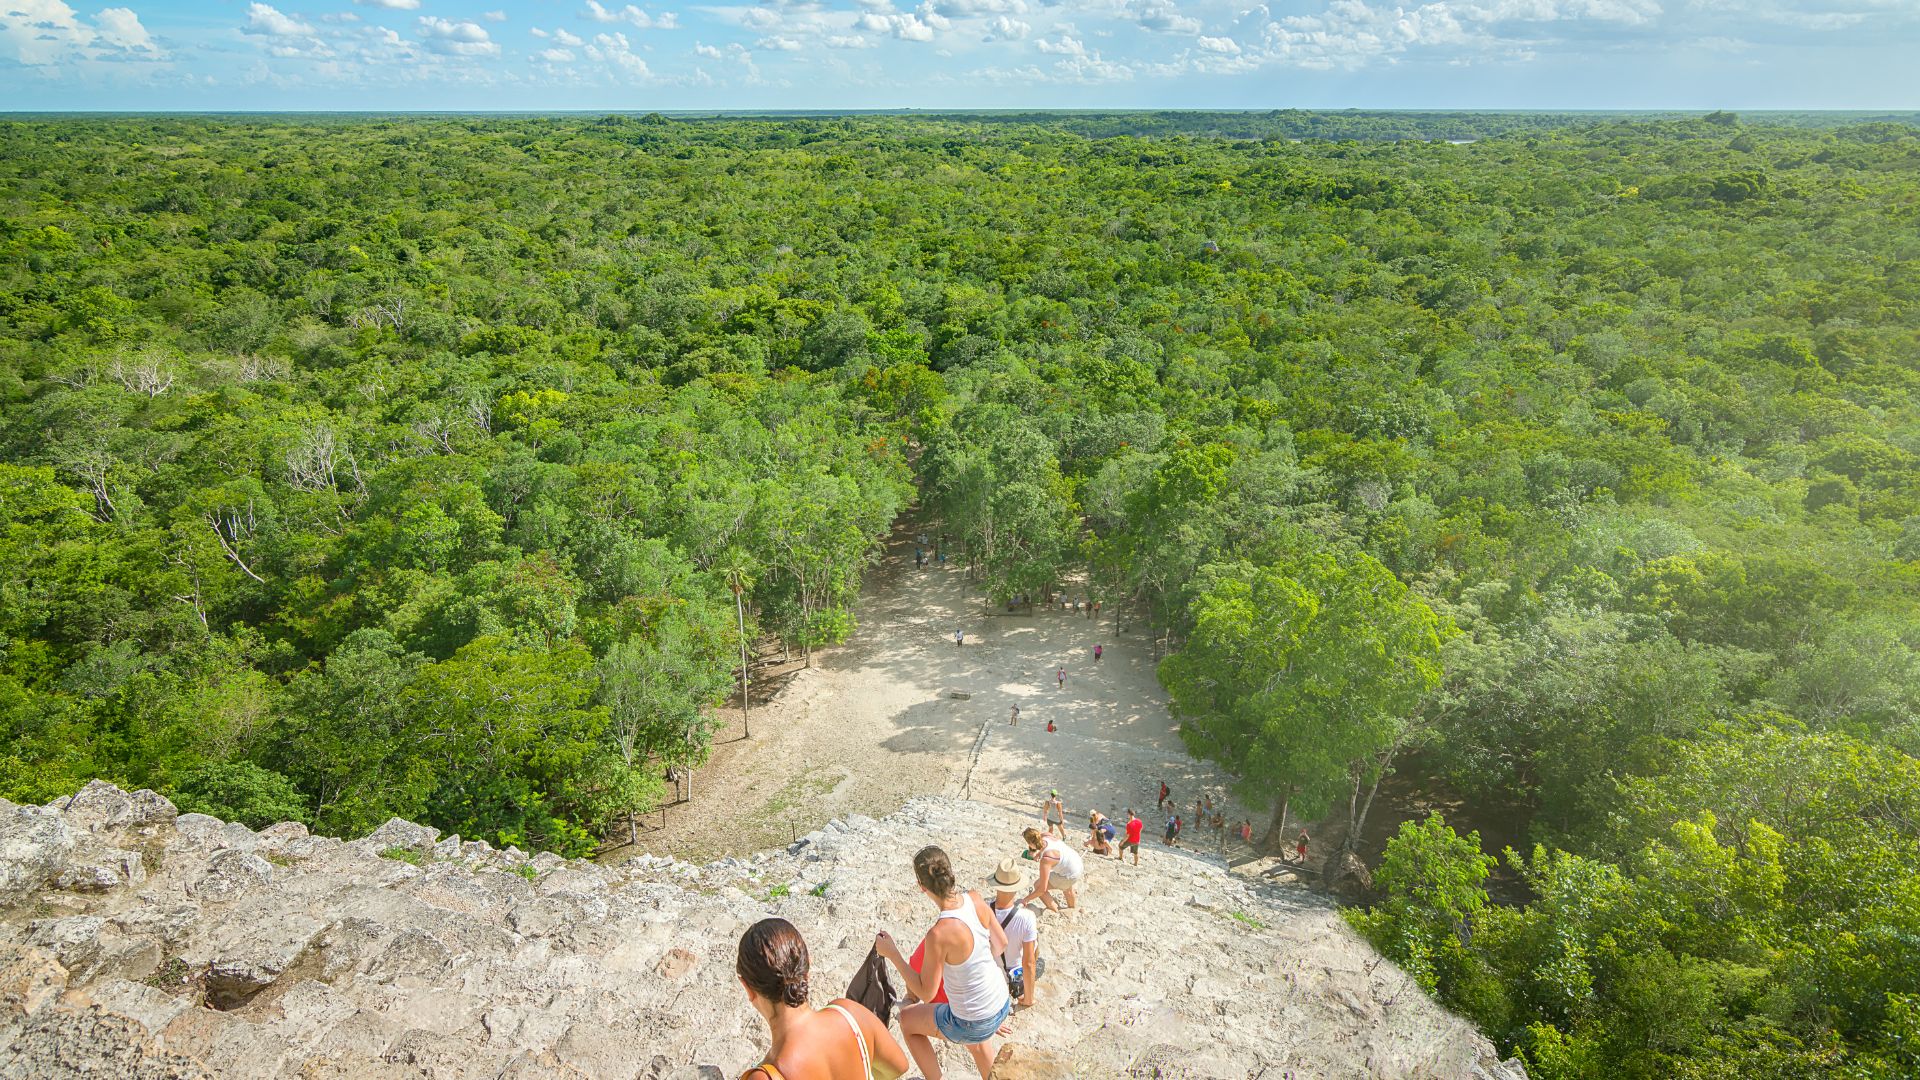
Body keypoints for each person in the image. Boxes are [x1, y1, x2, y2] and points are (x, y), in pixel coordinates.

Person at [876, 847, 1012, 1080]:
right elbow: (1001, 944)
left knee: (907, 1021)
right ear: (950, 872)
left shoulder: (938, 934)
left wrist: (893, 954)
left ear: (922, 886)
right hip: (1000, 1003)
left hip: (973, 1020)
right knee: (977, 1040)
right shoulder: (976, 898)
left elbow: (926, 993)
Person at [737, 918, 910, 1080]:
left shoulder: (767, 1076)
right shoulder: (850, 1014)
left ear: (747, 988)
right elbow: (898, 1066)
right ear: (807, 969)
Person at [985, 861, 1041, 1009]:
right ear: (1016, 887)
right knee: (1039, 961)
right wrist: (1028, 999)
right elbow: (1029, 963)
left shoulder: (983, 910)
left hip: (992, 974)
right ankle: (1023, 993)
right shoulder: (1027, 917)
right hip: (1016, 975)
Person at [1020, 826, 1083, 914]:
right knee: (1067, 886)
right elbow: (1042, 845)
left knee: (1038, 885)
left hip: (1070, 874)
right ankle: (1072, 908)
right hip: (1077, 863)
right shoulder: (1046, 835)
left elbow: (1042, 889)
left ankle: (1056, 911)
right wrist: (1038, 854)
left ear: (1030, 843)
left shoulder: (1046, 858)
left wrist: (1026, 899)